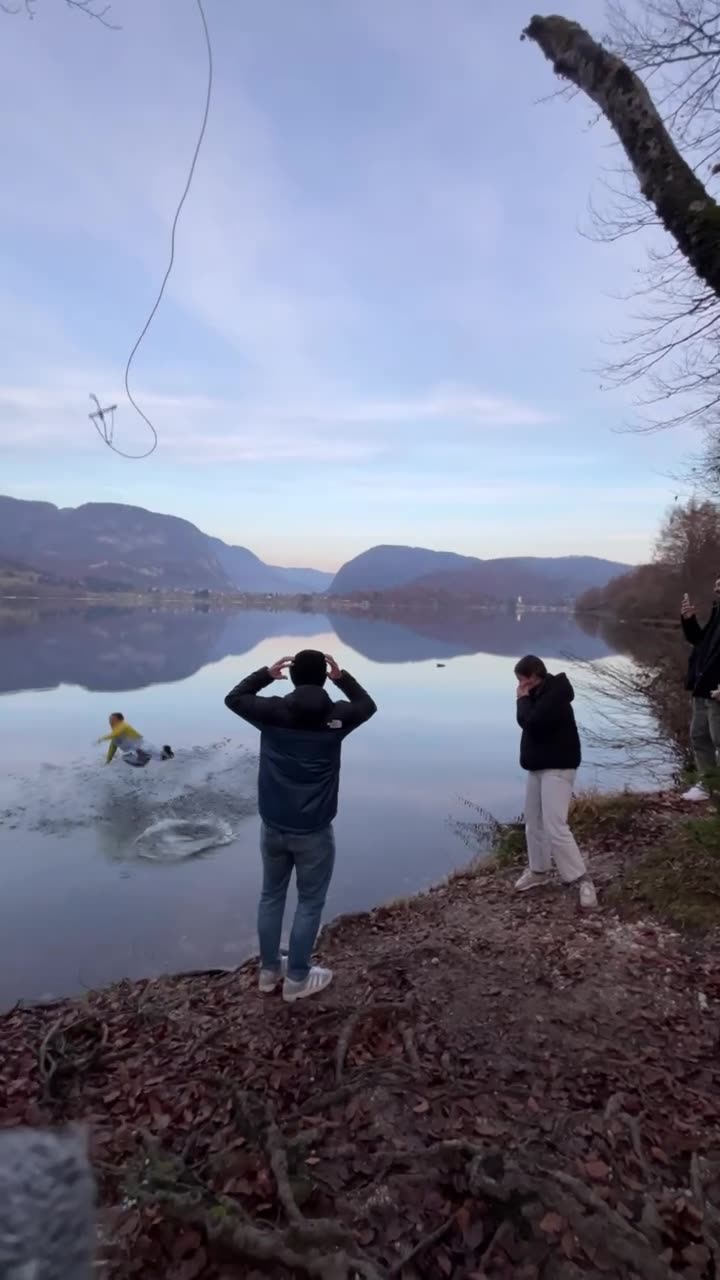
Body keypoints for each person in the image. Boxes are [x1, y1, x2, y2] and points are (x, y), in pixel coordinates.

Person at [224, 649, 377, 1003]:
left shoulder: (273, 712)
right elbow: (367, 705)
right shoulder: (338, 716)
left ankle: (268, 972)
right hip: (314, 831)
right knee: (309, 902)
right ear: (325, 677)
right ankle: (296, 978)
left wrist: (265, 674)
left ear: (291, 677)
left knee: (271, 895)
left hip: (273, 825)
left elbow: (234, 698)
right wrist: (344, 679)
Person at [513, 655, 597, 909]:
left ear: (534, 677)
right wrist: (526, 698)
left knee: (555, 826)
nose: (519, 685)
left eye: (521, 680)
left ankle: (582, 880)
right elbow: (530, 724)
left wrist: (522, 699)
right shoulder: (540, 694)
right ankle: (538, 870)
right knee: (534, 822)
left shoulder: (555, 696)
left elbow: (529, 722)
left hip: (558, 768)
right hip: (537, 767)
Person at [681, 581, 720, 801]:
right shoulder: (718, 612)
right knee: (699, 736)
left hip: (717, 691)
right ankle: (707, 785)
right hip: (703, 687)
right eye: (715, 583)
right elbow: (701, 643)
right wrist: (689, 621)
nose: (716, 588)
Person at [97, 713, 174, 768]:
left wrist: (103, 739)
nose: (110, 722)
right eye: (110, 720)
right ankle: (145, 760)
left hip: (144, 746)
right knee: (126, 757)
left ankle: (166, 752)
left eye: (112, 720)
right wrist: (108, 761)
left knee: (163, 757)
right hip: (137, 752)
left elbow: (118, 731)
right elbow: (112, 750)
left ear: (119, 720)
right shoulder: (114, 737)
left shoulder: (124, 726)